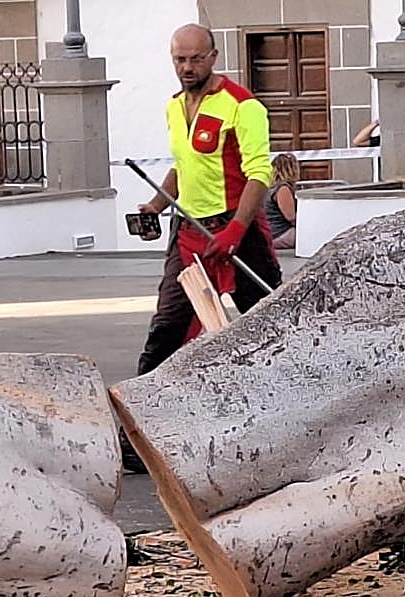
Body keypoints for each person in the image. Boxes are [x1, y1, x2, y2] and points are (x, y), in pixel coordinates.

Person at [122, 23, 283, 473]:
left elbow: (259, 174)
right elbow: (184, 166)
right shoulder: (175, 107)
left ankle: (281, 420)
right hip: (190, 234)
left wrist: (236, 228)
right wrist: (156, 203)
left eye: (195, 58)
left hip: (239, 235)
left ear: (213, 57)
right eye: (179, 59)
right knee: (167, 331)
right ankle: (140, 433)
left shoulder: (242, 107)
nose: (187, 67)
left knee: (267, 329)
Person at [263, 152, 299, 250]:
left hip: (271, 233)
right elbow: (291, 217)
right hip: (280, 233)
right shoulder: (283, 189)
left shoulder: (268, 188)